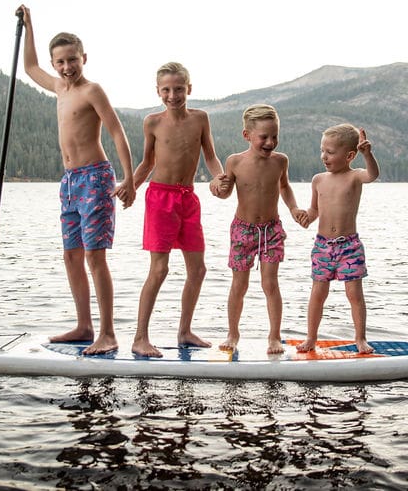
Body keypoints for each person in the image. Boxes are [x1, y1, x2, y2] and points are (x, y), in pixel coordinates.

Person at [16, 4, 135, 355]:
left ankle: (108, 332)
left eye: (72, 60)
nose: (67, 67)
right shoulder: (58, 87)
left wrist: (128, 179)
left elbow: (116, 132)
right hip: (69, 183)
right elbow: (29, 67)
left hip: (95, 179)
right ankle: (84, 326)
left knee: (95, 257)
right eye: (61, 62)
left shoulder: (91, 91)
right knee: (72, 256)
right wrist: (29, 25)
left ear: (84, 58)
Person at [130, 62, 225, 357]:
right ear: (158, 91)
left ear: (189, 89)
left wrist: (219, 177)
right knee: (159, 269)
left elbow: (210, 156)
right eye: (167, 90)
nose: (173, 95)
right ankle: (140, 338)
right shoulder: (152, 123)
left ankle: (184, 332)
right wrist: (130, 187)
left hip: (188, 199)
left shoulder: (200, 119)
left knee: (198, 269)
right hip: (160, 198)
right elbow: (147, 162)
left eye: (179, 89)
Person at [214, 104, 307, 354]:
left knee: (270, 284)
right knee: (239, 285)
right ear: (247, 135)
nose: (270, 142)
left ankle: (274, 337)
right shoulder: (234, 161)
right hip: (242, 230)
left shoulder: (280, 161)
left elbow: (285, 187)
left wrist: (294, 208)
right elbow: (225, 192)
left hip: (271, 230)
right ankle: (233, 334)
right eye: (263, 137)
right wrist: (217, 188)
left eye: (274, 136)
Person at [297, 124, 380, 354]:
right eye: (322, 150)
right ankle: (311, 338)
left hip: (349, 246)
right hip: (323, 246)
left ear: (350, 155)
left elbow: (373, 175)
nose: (324, 156)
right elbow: (314, 211)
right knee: (318, 293)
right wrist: (306, 218)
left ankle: (360, 339)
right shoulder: (318, 180)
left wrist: (368, 154)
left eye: (330, 152)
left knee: (354, 294)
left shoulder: (354, 176)